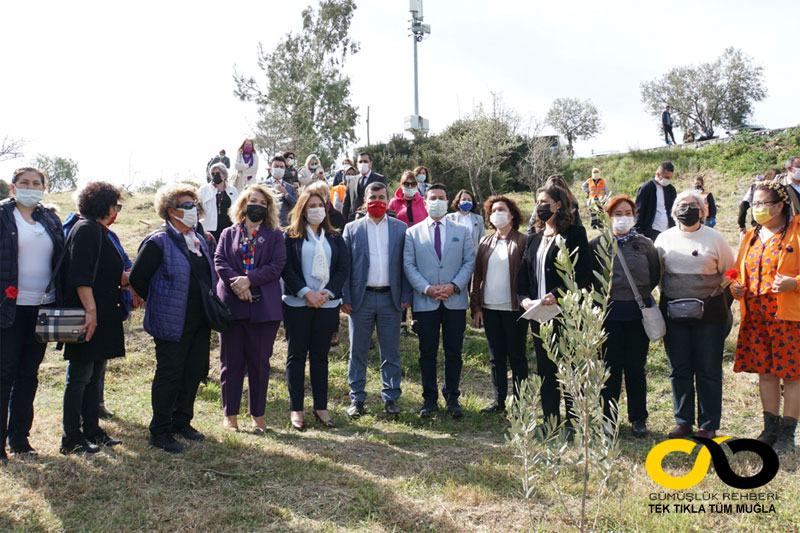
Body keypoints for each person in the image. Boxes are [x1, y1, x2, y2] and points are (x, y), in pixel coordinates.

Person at [129, 184, 216, 453]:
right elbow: (137, 279)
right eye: (186, 205)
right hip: (171, 321)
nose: (193, 210)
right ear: (170, 211)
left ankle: (182, 422)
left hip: (200, 320)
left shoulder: (199, 241)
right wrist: (160, 300)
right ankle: (160, 430)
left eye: (194, 205)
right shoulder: (158, 242)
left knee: (192, 372)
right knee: (170, 374)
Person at [654, 189, 735, 439]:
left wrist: (716, 298)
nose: (686, 209)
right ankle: (683, 421)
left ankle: (708, 425)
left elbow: (731, 273)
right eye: (681, 205)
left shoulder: (715, 238)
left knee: (708, 369)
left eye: (692, 205)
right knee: (679, 368)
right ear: (673, 211)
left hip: (710, 316)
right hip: (673, 313)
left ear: (702, 210)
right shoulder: (663, 239)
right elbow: (656, 275)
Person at [0, 168, 65, 463]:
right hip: (8, 308)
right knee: (5, 373)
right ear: (13, 187)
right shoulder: (3, 215)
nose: (31, 187)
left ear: (43, 189)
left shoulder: (49, 218)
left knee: (29, 374)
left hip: (42, 307)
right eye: (24, 182)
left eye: (36, 183)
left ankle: (19, 439)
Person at [731, 181, 800, 454]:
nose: (757, 208)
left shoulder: (796, 231)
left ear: (780, 205)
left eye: (763, 203)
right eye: (754, 204)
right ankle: (769, 429)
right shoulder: (750, 236)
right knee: (767, 373)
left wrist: (794, 283)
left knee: (792, 375)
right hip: (756, 315)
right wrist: (737, 289)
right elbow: (738, 272)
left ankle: (787, 433)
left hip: (788, 316)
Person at [517, 186, 592, 429]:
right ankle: (550, 420)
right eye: (537, 201)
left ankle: (573, 420)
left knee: (568, 366)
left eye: (544, 201)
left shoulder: (575, 233)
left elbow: (583, 274)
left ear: (558, 204)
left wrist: (558, 295)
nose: (540, 205)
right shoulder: (535, 237)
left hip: (564, 312)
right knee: (545, 368)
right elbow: (524, 274)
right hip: (538, 314)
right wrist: (524, 299)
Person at [60, 182, 126, 454]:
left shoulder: (99, 230)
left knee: (94, 374)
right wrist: (91, 312)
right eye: (115, 205)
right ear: (104, 205)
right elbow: (81, 276)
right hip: (89, 314)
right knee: (79, 377)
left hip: (103, 313)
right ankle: (71, 437)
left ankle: (92, 430)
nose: (116, 211)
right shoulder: (86, 229)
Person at [213, 185, 285, 433]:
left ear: (269, 209)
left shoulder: (275, 234)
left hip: (263, 309)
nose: (258, 206)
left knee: (259, 364)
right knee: (230, 363)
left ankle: (258, 416)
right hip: (232, 307)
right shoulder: (228, 233)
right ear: (243, 204)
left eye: (263, 203)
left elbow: (277, 265)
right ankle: (230, 415)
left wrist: (250, 280)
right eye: (253, 201)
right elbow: (220, 261)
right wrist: (237, 284)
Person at [589, 195, 661, 437]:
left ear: (634, 216)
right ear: (609, 217)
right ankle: (608, 420)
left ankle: (638, 418)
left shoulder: (645, 244)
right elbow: (591, 281)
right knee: (610, 369)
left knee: (636, 369)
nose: (623, 218)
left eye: (627, 213)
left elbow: (654, 276)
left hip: (638, 316)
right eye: (618, 214)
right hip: (608, 316)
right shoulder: (597, 245)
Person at [405, 184, 476, 417]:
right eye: (432, 198)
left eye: (441, 198)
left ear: (448, 202)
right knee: (427, 352)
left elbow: (469, 262)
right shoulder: (412, 233)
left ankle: (452, 397)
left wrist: (454, 286)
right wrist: (427, 289)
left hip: (454, 301)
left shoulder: (462, 230)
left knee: (453, 352)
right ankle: (429, 399)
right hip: (425, 301)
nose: (437, 201)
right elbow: (409, 265)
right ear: (425, 203)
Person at [342, 182, 411, 417]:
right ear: (364, 199)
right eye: (373, 196)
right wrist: (346, 296)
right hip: (361, 299)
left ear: (389, 200)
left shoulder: (401, 228)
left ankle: (391, 397)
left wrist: (406, 296)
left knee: (390, 351)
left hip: (391, 299)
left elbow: (405, 265)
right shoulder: (352, 229)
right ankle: (357, 399)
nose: (377, 201)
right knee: (357, 352)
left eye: (382, 197)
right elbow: (345, 267)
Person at [282, 190, 349, 429]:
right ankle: (296, 409)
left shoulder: (334, 237)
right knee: (296, 356)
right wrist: (305, 292)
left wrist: (327, 293)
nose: (316, 209)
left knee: (320, 357)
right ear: (302, 208)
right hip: (297, 304)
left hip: (327, 304)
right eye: (311, 205)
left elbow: (343, 268)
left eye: (320, 205)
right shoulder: (289, 236)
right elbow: (286, 268)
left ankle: (321, 406)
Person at [470, 195, 528, 413]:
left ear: (511, 214)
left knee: (517, 357)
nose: (496, 214)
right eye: (493, 211)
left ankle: (521, 403)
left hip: (514, 308)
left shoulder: (523, 241)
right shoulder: (485, 242)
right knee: (496, 358)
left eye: (501, 209)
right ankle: (499, 401)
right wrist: (476, 306)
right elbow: (477, 276)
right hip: (490, 308)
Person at [387, 171, 428, 336]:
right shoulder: (394, 203)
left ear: (417, 185)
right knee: (402, 281)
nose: (410, 187)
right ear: (401, 185)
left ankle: (416, 319)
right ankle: (401, 321)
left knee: (417, 280)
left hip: (420, 245)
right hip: (400, 245)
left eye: (413, 184)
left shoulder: (423, 202)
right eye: (406, 184)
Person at [634, 161, 677, 241]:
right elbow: (639, 211)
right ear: (658, 174)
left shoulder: (671, 190)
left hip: (668, 229)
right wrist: (638, 231)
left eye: (670, 178)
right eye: (666, 177)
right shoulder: (646, 188)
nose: (668, 180)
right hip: (652, 231)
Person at [199, 162, 239, 245]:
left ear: (224, 175)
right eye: (213, 174)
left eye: (218, 173)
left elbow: (237, 208)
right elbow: (199, 208)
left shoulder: (233, 190)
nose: (215, 175)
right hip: (210, 228)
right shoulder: (204, 190)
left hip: (228, 227)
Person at [342, 153, 386, 222]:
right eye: (360, 162)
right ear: (357, 164)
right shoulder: (351, 181)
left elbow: (383, 200)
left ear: (370, 164)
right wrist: (343, 222)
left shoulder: (379, 179)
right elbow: (346, 204)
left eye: (365, 161)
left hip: (372, 220)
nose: (362, 164)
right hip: (354, 221)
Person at [739, 170, 782, 235]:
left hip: (757, 223)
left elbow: (743, 205)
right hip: (776, 223)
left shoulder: (754, 187)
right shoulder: (779, 189)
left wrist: (741, 224)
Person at [446, 189, 485, 255]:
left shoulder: (478, 219)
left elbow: (482, 239)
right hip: (454, 255)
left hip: (473, 255)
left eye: (469, 200)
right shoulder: (449, 218)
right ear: (458, 202)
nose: (466, 201)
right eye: (464, 199)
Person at [263, 155, 298, 227]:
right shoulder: (262, 186)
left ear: (285, 170)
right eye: (276, 166)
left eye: (281, 167)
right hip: (265, 224)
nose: (279, 169)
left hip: (283, 225)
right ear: (271, 169)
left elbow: (296, 203)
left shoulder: (290, 188)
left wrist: (286, 194)